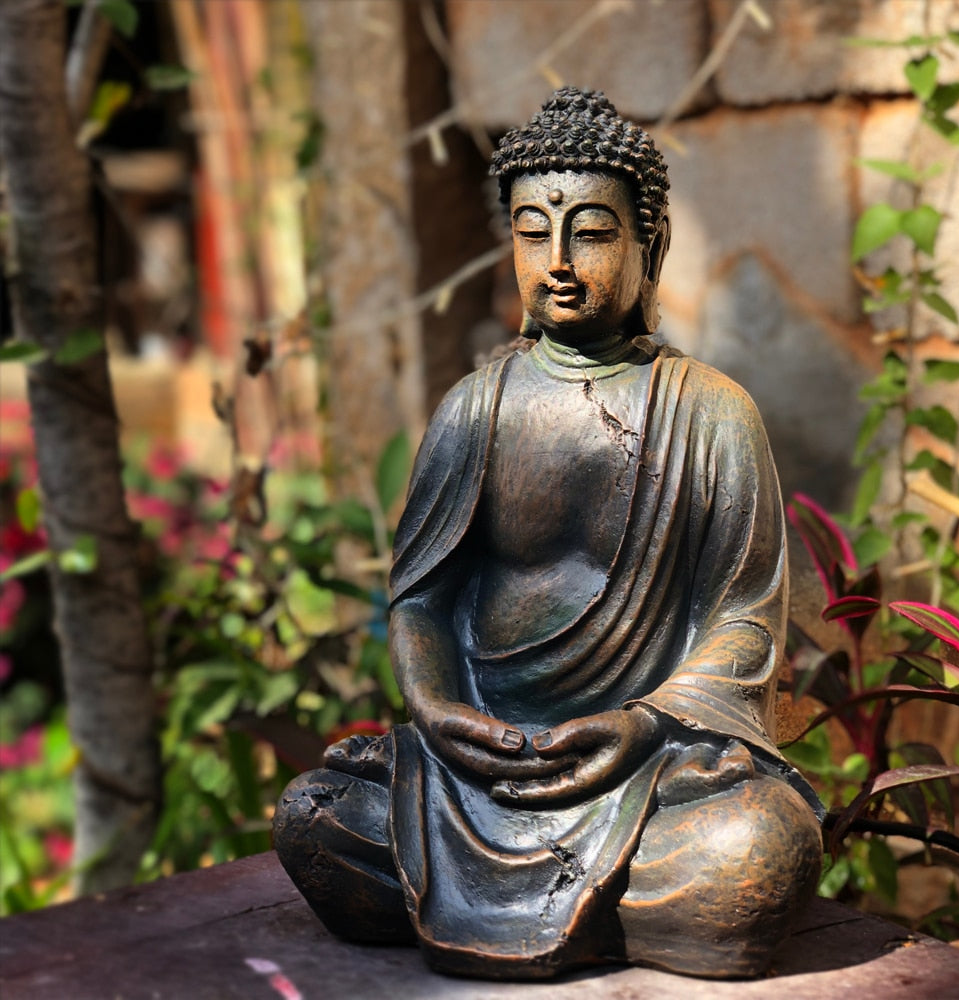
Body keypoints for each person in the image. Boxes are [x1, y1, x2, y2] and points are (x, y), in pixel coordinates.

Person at [273, 87, 822, 981]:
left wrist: (645, 723)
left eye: (594, 232)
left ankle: (606, 898)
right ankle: (603, 914)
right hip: (480, 767)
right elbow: (422, 599)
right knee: (318, 814)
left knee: (757, 850)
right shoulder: (476, 409)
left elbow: (744, 618)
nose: (560, 261)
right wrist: (441, 713)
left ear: (653, 246)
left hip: (644, 766)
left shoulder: (713, 414)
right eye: (534, 231)